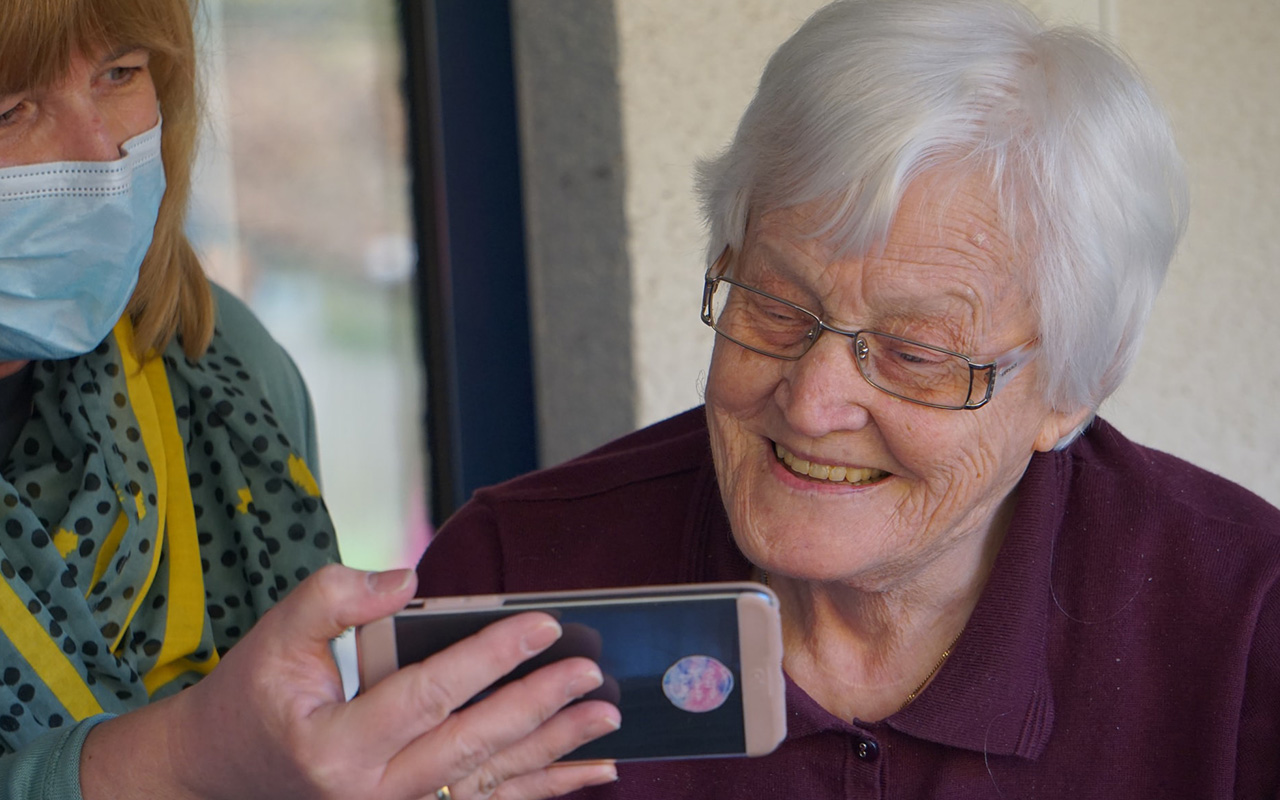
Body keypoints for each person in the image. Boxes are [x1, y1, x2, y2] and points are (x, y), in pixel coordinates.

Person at [414, 0, 1280, 797]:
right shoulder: (516, 579)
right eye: (776, 306)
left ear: (1072, 390)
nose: (812, 402)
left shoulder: (1246, 627)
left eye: (916, 353)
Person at [0, 1, 621, 798]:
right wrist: (188, 758)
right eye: (11, 109)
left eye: (121, 73)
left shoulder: (216, 366)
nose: (101, 152)